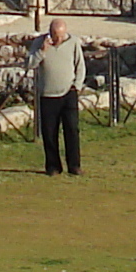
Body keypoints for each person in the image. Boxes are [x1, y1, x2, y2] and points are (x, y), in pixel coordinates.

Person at [30, 15, 85, 176]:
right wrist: (42, 51)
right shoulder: (39, 43)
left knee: (72, 130)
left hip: (68, 93)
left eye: (61, 35)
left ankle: (74, 165)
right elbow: (29, 64)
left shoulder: (73, 42)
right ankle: (53, 166)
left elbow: (80, 65)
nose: (59, 39)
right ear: (50, 33)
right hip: (47, 95)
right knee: (49, 132)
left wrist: (77, 86)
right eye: (56, 35)